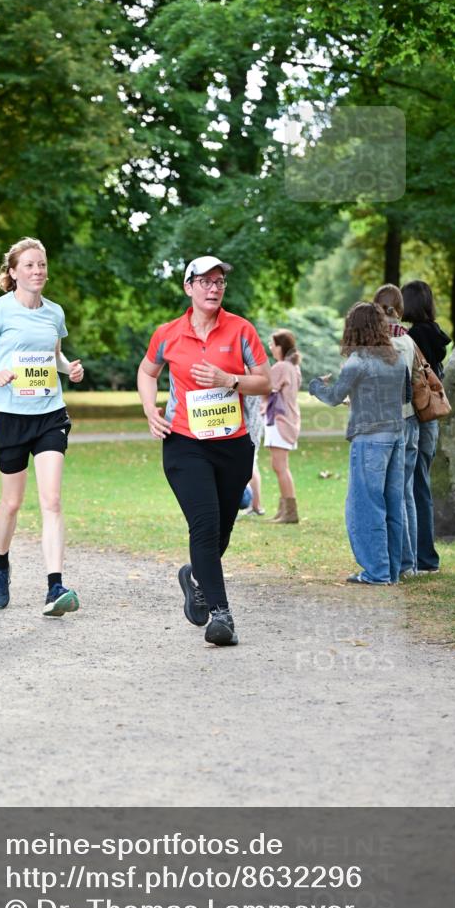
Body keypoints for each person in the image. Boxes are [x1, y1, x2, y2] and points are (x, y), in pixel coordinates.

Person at [137, 255, 271, 646]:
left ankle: (195, 578)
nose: (214, 288)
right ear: (188, 287)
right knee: (205, 524)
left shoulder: (241, 330)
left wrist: (229, 379)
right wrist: (149, 409)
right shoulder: (168, 334)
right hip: (183, 443)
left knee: (222, 531)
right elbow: (147, 371)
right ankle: (221, 615)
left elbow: (265, 381)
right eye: (206, 282)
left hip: (232, 445)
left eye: (220, 282)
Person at [0, 236, 84, 615]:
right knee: (12, 503)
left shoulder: (54, 313)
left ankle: (55, 586)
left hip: (50, 414)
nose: (38, 271)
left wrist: (70, 368)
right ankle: (1, 562)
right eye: (30, 265)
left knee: (51, 500)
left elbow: (54, 355)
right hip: (10, 416)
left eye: (42, 264)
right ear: (13, 272)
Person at [309, 302, 406, 585]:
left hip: (369, 440)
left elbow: (333, 397)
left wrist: (316, 385)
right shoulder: (397, 358)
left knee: (366, 507)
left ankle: (376, 572)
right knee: (392, 504)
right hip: (396, 435)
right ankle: (392, 570)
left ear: (354, 328)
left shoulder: (356, 362)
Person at [402, 280, 451, 574]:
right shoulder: (435, 332)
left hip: (418, 418)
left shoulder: (415, 336)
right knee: (421, 484)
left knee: (415, 486)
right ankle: (423, 555)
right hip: (430, 419)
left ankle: (423, 557)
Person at [373, 284, 419, 579]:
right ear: (400, 309)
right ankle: (410, 562)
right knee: (406, 494)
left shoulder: (381, 343)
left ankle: (399, 561)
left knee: (389, 495)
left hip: (390, 422)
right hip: (412, 418)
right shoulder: (410, 341)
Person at [263, 329, 302, 524]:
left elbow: (265, 389)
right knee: (279, 465)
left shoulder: (281, 367)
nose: (270, 347)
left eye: (272, 344)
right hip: (286, 419)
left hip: (280, 420)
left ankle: (290, 512)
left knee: (280, 466)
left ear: (280, 346)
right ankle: (284, 509)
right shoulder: (292, 366)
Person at [241, 393, 265, 515]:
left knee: (251, 463)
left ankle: (256, 505)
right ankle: (255, 505)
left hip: (249, 425)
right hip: (253, 422)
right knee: (252, 462)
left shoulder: (248, 384)